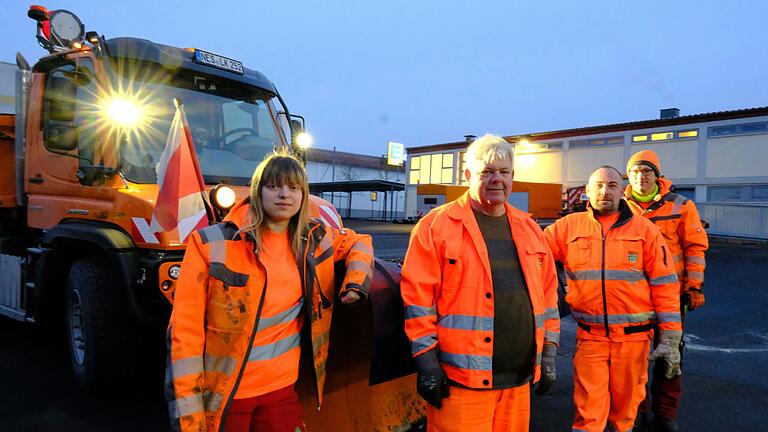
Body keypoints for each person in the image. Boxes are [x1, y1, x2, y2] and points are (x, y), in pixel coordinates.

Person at [164, 151, 374, 432]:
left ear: (303, 195)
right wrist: (190, 421)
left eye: (294, 187)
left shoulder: (315, 239)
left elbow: (360, 241)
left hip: (280, 392)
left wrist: (356, 284)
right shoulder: (211, 245)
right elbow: (184, 334)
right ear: (258, 192)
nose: (284, 195)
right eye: (274, 186)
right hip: (226, 397)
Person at [400, 134, 560, 431]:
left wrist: (549, 352)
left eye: (504, 172)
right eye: (487, 172)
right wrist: (426, 362)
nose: (496, 179)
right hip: (461, 383)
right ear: (468, 175)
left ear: (513, 176)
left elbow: (548, 298)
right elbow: (417, 300)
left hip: (517, 383)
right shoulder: (436, 227)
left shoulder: (530, 229)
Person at [543, 166, 682, 432]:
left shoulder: (645, 231)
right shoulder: (567, 228)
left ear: (622, 190)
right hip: (591, 339)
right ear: (586, 191)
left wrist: (671, 339)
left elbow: (665, 286)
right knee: (588, 414)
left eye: (611, 185)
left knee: (625, 414)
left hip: (634, 341)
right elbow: (533, 253)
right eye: (598, 185)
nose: (604, 191)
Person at [625, 150, 708, 432]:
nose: (641, 176)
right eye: (635, 171)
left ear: (657, 175)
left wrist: (693, 286)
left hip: (671, 299)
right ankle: (637, 411)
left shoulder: (681, 206)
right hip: (633, 300)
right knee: (634, 361)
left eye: (646, 171)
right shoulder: (620, 206)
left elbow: (695, 248)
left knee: (670, 359)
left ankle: (665, 414)